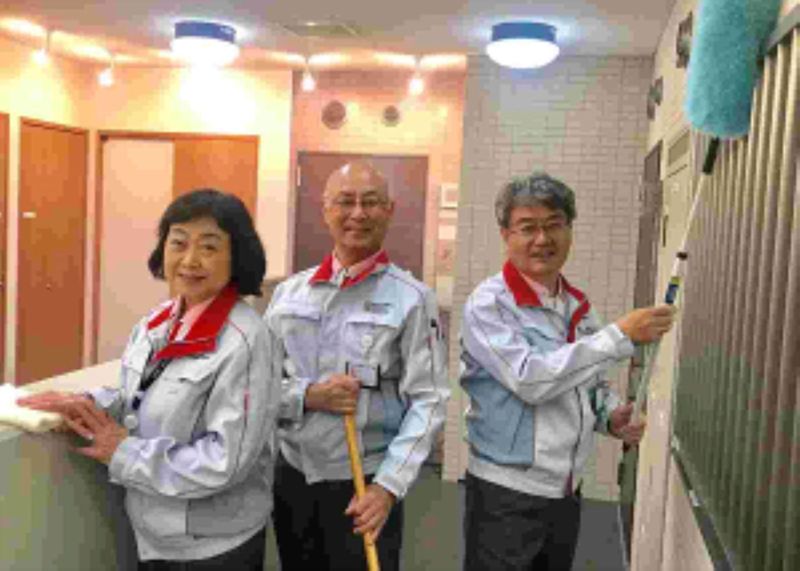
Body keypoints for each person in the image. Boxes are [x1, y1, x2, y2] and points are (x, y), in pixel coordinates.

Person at [19, 189, 279, 570]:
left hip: (212, 548)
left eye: (209, 247)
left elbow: (227, 460)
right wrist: (85, 405)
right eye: (178, 243)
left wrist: (124, 454)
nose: (189, 260)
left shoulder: (248, 340)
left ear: (236, 256)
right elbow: (137, 396)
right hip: (151, 534)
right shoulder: (157, 322)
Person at [460, 172, 674, 570]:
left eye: (554, 224)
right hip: (506, 493)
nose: (543, 239)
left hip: (566, 490)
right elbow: (531, 380)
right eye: (528, 227)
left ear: (570, 230)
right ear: (506, 235)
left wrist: (610, 414)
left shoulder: (577, 305)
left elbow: (587, 383)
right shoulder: (489, 305)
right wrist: (619, 335)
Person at [264, 160, 450, 571]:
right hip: (293, 476)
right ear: (325, 209)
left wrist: (388, 487)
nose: (358, 213)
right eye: (345, 201)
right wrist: (309, 396)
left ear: (390, 210)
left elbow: (431, 400)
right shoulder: (289, 295)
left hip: (365, 482)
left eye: (371, 202)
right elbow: (257, 386)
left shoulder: (412, 299)